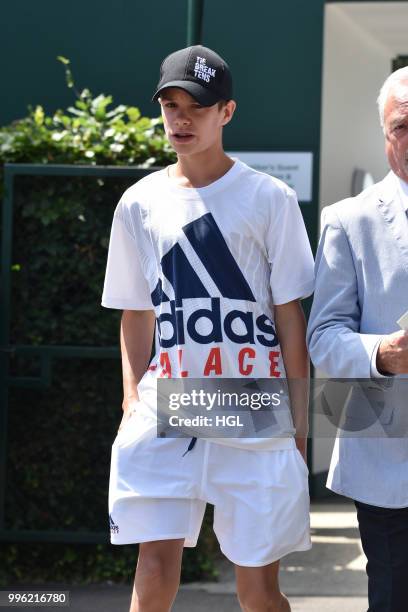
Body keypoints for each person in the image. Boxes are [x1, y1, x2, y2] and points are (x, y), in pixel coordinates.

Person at [102, 44, 314, 612]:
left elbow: (290, 317)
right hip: (167, 403)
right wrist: (130, 398)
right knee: (153, 562)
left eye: (195, 106)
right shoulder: (138, 202)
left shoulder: (270, 198)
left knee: (258, 586)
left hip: (251, 404)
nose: (180, 119)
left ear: (227, 112)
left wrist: (299, 420)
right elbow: (135, 310)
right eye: (170, 105)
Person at [307, 66, 408, 612]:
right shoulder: (349, 221)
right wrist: (384, 355)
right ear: (384, 134)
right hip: (389, 465)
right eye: (403, 126)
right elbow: (322, 336)